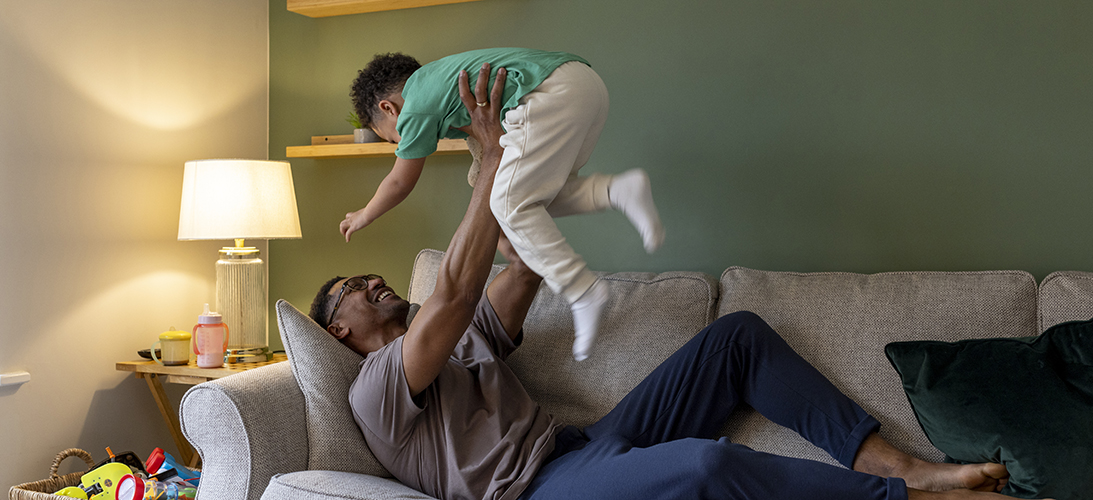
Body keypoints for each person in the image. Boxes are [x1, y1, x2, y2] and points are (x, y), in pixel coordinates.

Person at [312, 64, 1047, 500]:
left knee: (735, 338)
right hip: (533, 492)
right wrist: (494, 166)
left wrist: (504, 179)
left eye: (371, 275)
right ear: (338, 330)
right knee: (705, 465)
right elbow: (454, 294)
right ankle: (900, 496)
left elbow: (520, 269)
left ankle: (899, 463)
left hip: (578, 447)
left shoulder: (462, 340)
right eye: (351, 287)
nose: (372, 279)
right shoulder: (375, 383)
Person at [340, 48, 666, 361]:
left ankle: (581, 290)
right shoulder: (443, 86)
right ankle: (617, 190)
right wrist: (505, 242)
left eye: (391, 139)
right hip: (584, 87)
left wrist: (364, 214)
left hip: (549, 93)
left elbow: (400, 181)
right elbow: (484, 167)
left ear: (388, 109)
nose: (400, 144)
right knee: (535, 198)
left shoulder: (415, 106)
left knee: (509, 200)